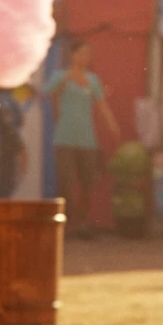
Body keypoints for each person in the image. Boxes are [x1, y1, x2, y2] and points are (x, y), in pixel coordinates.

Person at [45, 41, 120, 237]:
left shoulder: (92, 79)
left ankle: (82, 223)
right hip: (64, 137)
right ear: (73, 55)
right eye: (81, 53)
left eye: (88, 54)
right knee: (66, 182)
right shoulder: (60, 76)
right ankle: (66, 225)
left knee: (88, 183)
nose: (85, 58)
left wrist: (113, 127)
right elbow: (48, 92)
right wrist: (67, 80)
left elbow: (102, 105)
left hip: (87, 139)